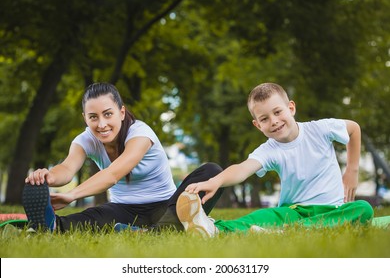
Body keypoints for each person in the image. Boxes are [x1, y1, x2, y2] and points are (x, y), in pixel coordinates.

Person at [176, 82, 374, 237]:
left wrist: (352, 170)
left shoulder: (320, 129)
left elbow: (354, 128)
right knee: (261, 216)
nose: (274, 121)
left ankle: (288, 231)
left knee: (363, 209)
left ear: (291, 108)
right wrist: (215, 181)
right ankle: (211, 228)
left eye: (278, 112)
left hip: (332, 210)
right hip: (292, 211)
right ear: (257, 125)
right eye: (264, 119)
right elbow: (242, 169)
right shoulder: (270, 150)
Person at [22, 82, 223, 232]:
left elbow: (112, 175)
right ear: (85, 118)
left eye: (108, 114)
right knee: (96, 216)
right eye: (93, 117)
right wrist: (47, 177)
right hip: (124, 210)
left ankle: (157, 231)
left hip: (166, 205)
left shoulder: (140, 134)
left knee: (213, 172)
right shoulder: (85, 140)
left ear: (121, 112)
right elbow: (66, 168)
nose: (101, 124)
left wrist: (73, 195)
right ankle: (53, 225)